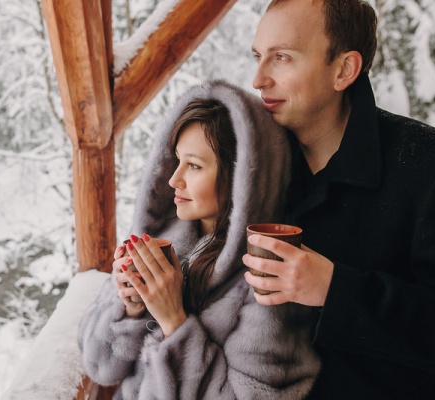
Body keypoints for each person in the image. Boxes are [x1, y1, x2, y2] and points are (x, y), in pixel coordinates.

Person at [244, 0, 435, 398]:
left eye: (282, 58)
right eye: (258, 56)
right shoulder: (248, 166)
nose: (258, 79)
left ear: (344, 69)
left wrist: (336, 290)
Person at [78, 80, 320, 399]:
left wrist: (174, 322)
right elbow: (99, 366)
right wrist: (129, 308)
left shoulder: (269, 279)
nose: (173, 179)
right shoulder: (160, 244)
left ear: (241, 177)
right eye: (177, 160)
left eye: (194, 165)